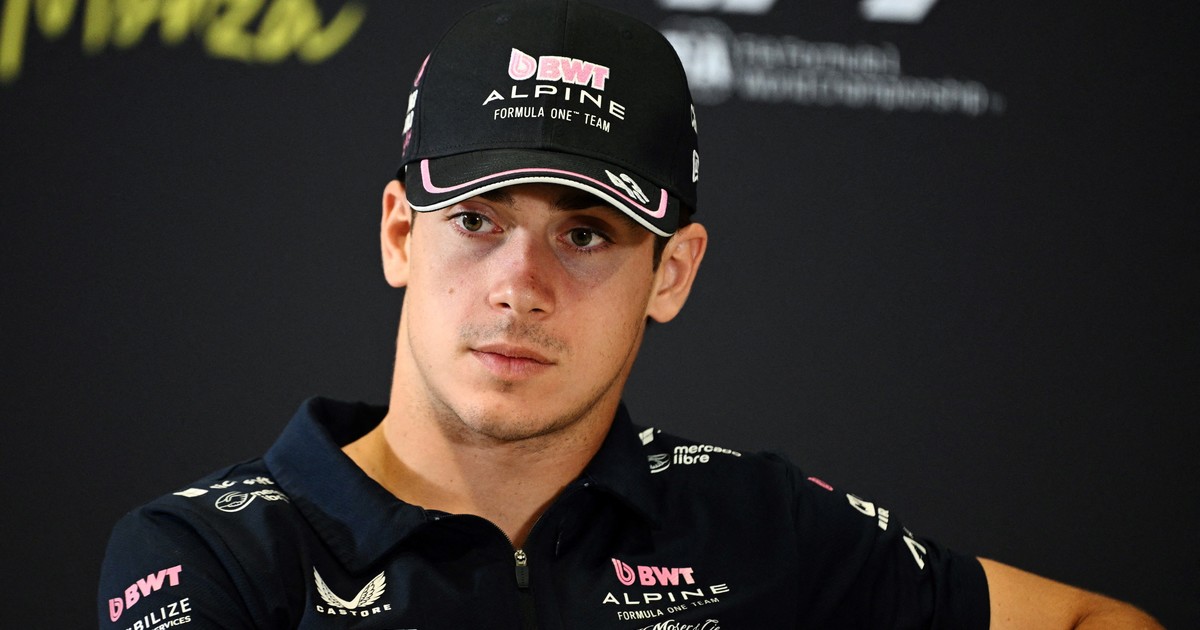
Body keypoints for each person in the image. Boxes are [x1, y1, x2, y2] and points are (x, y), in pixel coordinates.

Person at [98, 1, 1161, 628]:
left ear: (672, 273)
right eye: (476, 218)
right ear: (398, 235)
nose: (519, 284)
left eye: (586, 233)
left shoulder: (756, 521)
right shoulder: (216, 555)